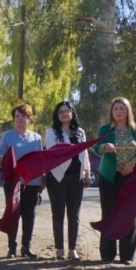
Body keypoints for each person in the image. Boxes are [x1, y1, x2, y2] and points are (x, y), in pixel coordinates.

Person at [93, 97, 136, 265]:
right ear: (112, 112)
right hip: (109, 177)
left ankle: (127, 255)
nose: (118, 111)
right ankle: (107, 254)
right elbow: (96, 147)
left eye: (121, 108)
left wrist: (133, 164)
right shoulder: (105, 129)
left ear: (127, 111)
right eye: (115, 108)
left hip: (131, 178)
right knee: (109, 213)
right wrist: (104, 147)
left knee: (129, 214)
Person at [44, 101, 91, 260]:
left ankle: (72, 249)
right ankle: (59, 250)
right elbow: (53, 152)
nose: (64, 113)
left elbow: (84, 153)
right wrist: (71, 147)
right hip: (57, 177)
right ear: (57, 115)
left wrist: (87, 171)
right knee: (58, 214)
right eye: (61, 111)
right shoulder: (52, 132)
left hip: (76, 178)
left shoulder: (80, 132)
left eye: (67, 110)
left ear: (72, 113)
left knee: (74, 215)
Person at [0, 103, 43, 259]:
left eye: (23, 116)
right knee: (13, 213)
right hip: (13, 182)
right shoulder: (7, 136)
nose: (20, 119)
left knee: (29, 215)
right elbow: (0, 157)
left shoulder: (36, 138)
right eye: (17, 116)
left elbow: (41, 160)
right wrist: (4, 160)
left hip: (33, 182)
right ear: (13, 120)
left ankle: (26, 247)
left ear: (29, 118)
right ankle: (12, 248)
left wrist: (42, 181)